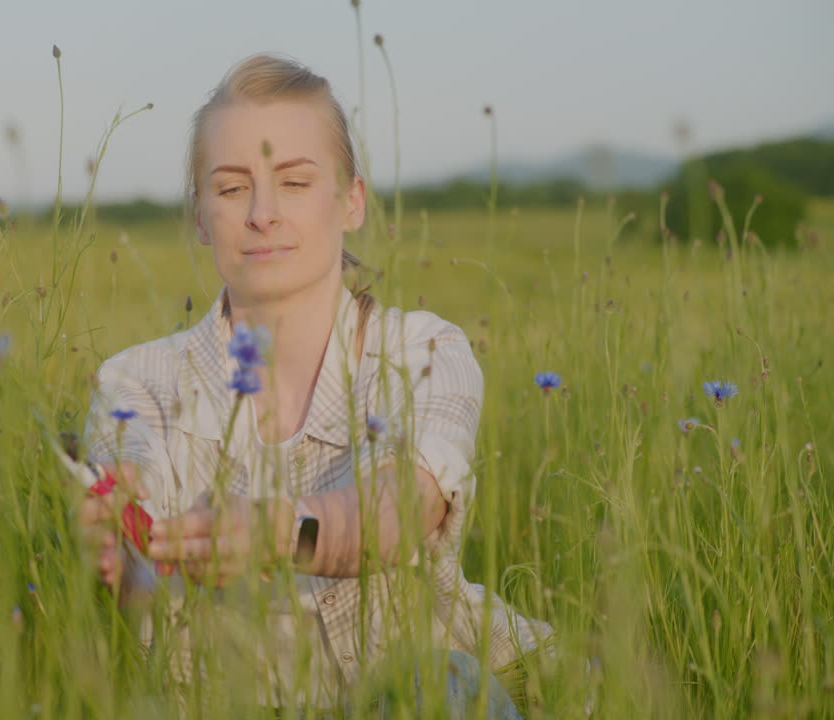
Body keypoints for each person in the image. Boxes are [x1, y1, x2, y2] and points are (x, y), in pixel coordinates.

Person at [77, 54, 552, 717]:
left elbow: (403, 511)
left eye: (295, 183)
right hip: (231, 702)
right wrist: (113, 557)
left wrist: (279, 531)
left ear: (351, 200)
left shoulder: (418, 349)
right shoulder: (135, 380)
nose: (263, 215)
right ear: (199, 213)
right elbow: (137, 552)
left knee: (440, 683)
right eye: (233, 187)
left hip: (425, 691)